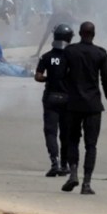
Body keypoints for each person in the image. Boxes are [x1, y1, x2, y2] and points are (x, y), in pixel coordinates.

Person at [61, 22, 107, 195]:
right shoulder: (100, 53)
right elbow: (106, 81)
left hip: (73, 104)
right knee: (91, 145)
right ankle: (86, 183)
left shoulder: (69, 51)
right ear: (94, 34)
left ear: (79, 33)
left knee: (72, 141)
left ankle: (73, 174)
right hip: (93, 105)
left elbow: (62, 76)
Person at [34, 24, 73, 177]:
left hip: (50, 97)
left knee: (51, 132)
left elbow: (38, 76)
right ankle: (65, 165)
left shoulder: (46, 56)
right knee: (66, 133)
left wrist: (49, 78)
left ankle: (54, 162)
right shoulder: (72, 57)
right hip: (67, 98)